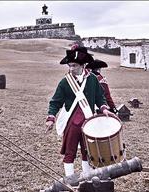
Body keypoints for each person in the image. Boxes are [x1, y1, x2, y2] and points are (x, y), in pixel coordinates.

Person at [45, 45, 114, 175]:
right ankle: (70, 181)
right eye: (70, 66)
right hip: (72, 123)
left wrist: (104, 109)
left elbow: (100, 97)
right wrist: (51, 118)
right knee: (70, 153)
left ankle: (87, 178)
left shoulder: (93, 79)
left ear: (83, 65)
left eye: (75, 65)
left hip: (88, 121)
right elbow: (55, 102)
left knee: (87, 152)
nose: (71, 69)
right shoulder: (65, 82)